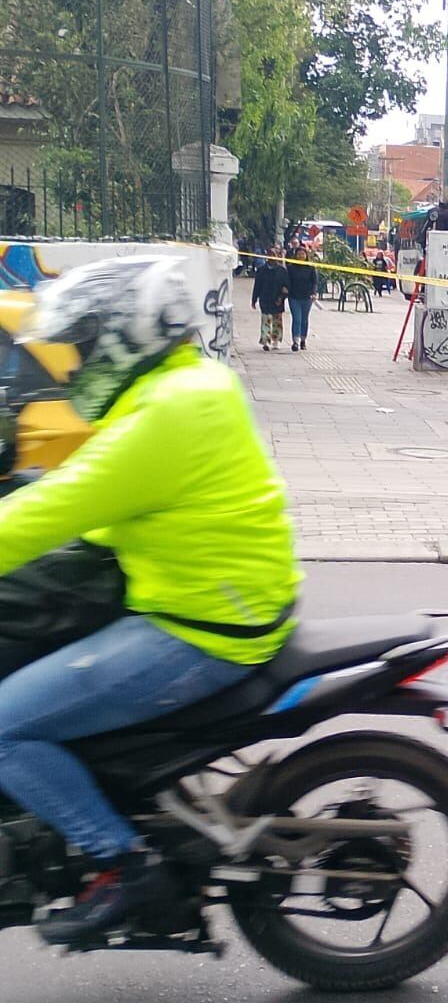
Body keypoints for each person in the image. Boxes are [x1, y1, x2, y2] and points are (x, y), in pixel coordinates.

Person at [0, 256, 299, 944]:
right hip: (225, 595)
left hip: (203, 625)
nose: (73, 366)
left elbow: (59, 507)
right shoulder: (189, 383)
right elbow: (98, 494)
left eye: (83, 346)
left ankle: (125, 868)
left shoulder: (165, 413)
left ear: (122, 338)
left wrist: (30, 507)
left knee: (8, 727)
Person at [250, 246, 288, 352]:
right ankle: (265, 340)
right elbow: (257, 285)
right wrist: (254, 299)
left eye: (274, 254)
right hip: (265, 298)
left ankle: (276, 340)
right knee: (265, 320)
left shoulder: (282, 270)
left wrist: (282, 297)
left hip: (277, 300)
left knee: (277, 321)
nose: (272, 257)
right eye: (270, 254)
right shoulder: (262, 270)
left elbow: (286, 286)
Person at [285, 242, 317, 352]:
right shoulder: (290, 268)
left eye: (303, 254)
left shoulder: (311, 268)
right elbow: (287, 281)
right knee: (297, 319)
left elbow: (314, 282)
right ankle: (296, 341)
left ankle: (303, 339)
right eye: (299, 254)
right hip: (294, 297)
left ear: (306, 255)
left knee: (304, 319)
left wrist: (314, 293)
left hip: (307, 297)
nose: (301, 256)